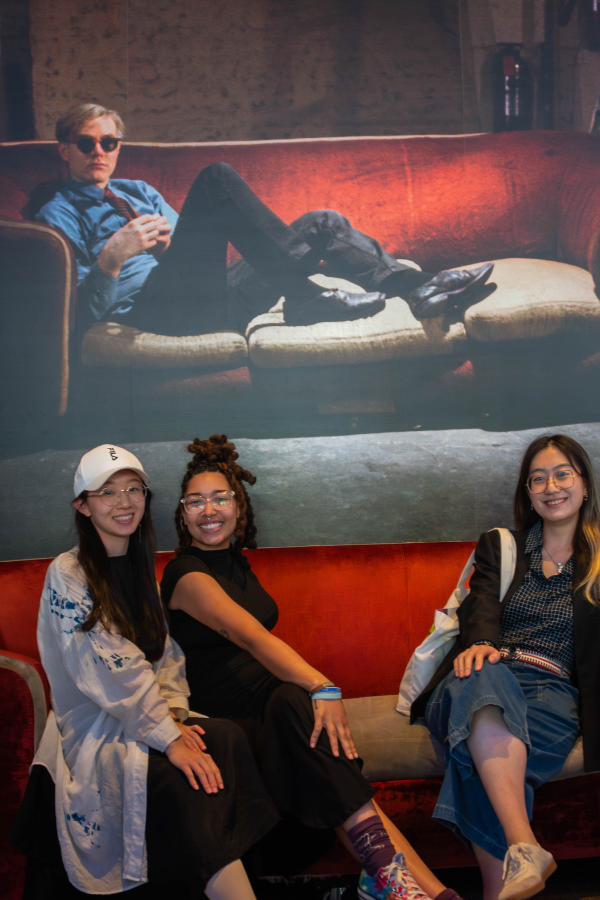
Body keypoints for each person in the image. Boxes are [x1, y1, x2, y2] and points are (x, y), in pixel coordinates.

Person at [161, 434, 466, 900]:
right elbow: (251, 637)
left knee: (299, 716)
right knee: (298, 708)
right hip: (228, 722)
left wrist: (310, 693)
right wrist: (324, 688)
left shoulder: (238, 565)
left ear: (238, 506)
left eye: (220, 498)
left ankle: (419, 889)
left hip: (272, 707)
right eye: (195, 501)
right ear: (182, 514)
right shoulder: (184, 574)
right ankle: (409, 885)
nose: (209, 510)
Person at [10, 444, 280, 899]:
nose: (124, 501)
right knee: (181, 776)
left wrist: (175, 712)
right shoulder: (68, 573)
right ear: (83, 504)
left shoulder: (141, 570)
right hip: (98, 729)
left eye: (133, 489)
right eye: (107, 492)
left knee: (227, 739)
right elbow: (111, 668)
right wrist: (170, 736)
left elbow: (166, 654)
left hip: (145, 717)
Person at [36, 102, 493, 336]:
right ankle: (302, 294)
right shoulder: (57, 213)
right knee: (216, 178)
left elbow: (194, 249)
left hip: (212, 295)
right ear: (64, 149)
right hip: (157, 310)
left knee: (322, 222)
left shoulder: (140, 192)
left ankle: (419, 288)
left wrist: (167, 246)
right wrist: (113, 257)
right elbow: (75, 314)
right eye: (85, 143)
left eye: (109, 143)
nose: (99, 152)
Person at [410, 434, 600, 900]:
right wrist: (480, 644)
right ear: (528, 493)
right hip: (479, 673)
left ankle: (509, 882)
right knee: (482, 672)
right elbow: (481, 604)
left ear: (584, 484)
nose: (550, 486)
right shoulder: (504, 544)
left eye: (562, 474)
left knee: (475, 763)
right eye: (538, 478)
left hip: (551, 693)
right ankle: (524, 842)